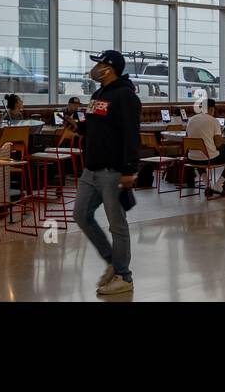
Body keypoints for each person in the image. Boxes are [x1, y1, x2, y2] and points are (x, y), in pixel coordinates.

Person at [74, 50, 141, 297]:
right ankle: (113, 261)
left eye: (99, 64)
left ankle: (124, 276)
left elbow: (131, 135)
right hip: (90, 171)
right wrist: (78, 127)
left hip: (113, 172)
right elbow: (93, 126)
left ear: (109, 68)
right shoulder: (97, 94)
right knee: (81, 214)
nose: (95, 68)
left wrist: (129, 170)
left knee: (117, 225)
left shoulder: (126, 96)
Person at [185, 98, 225, 196]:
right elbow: (218, 144)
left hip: (191, 158)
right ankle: (218, 185)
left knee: (200, 154)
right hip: (209, 159)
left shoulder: (191, 120)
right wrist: (220, 133)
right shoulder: (213, 121)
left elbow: (187, 137)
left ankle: (207, 184)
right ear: (212, 109)